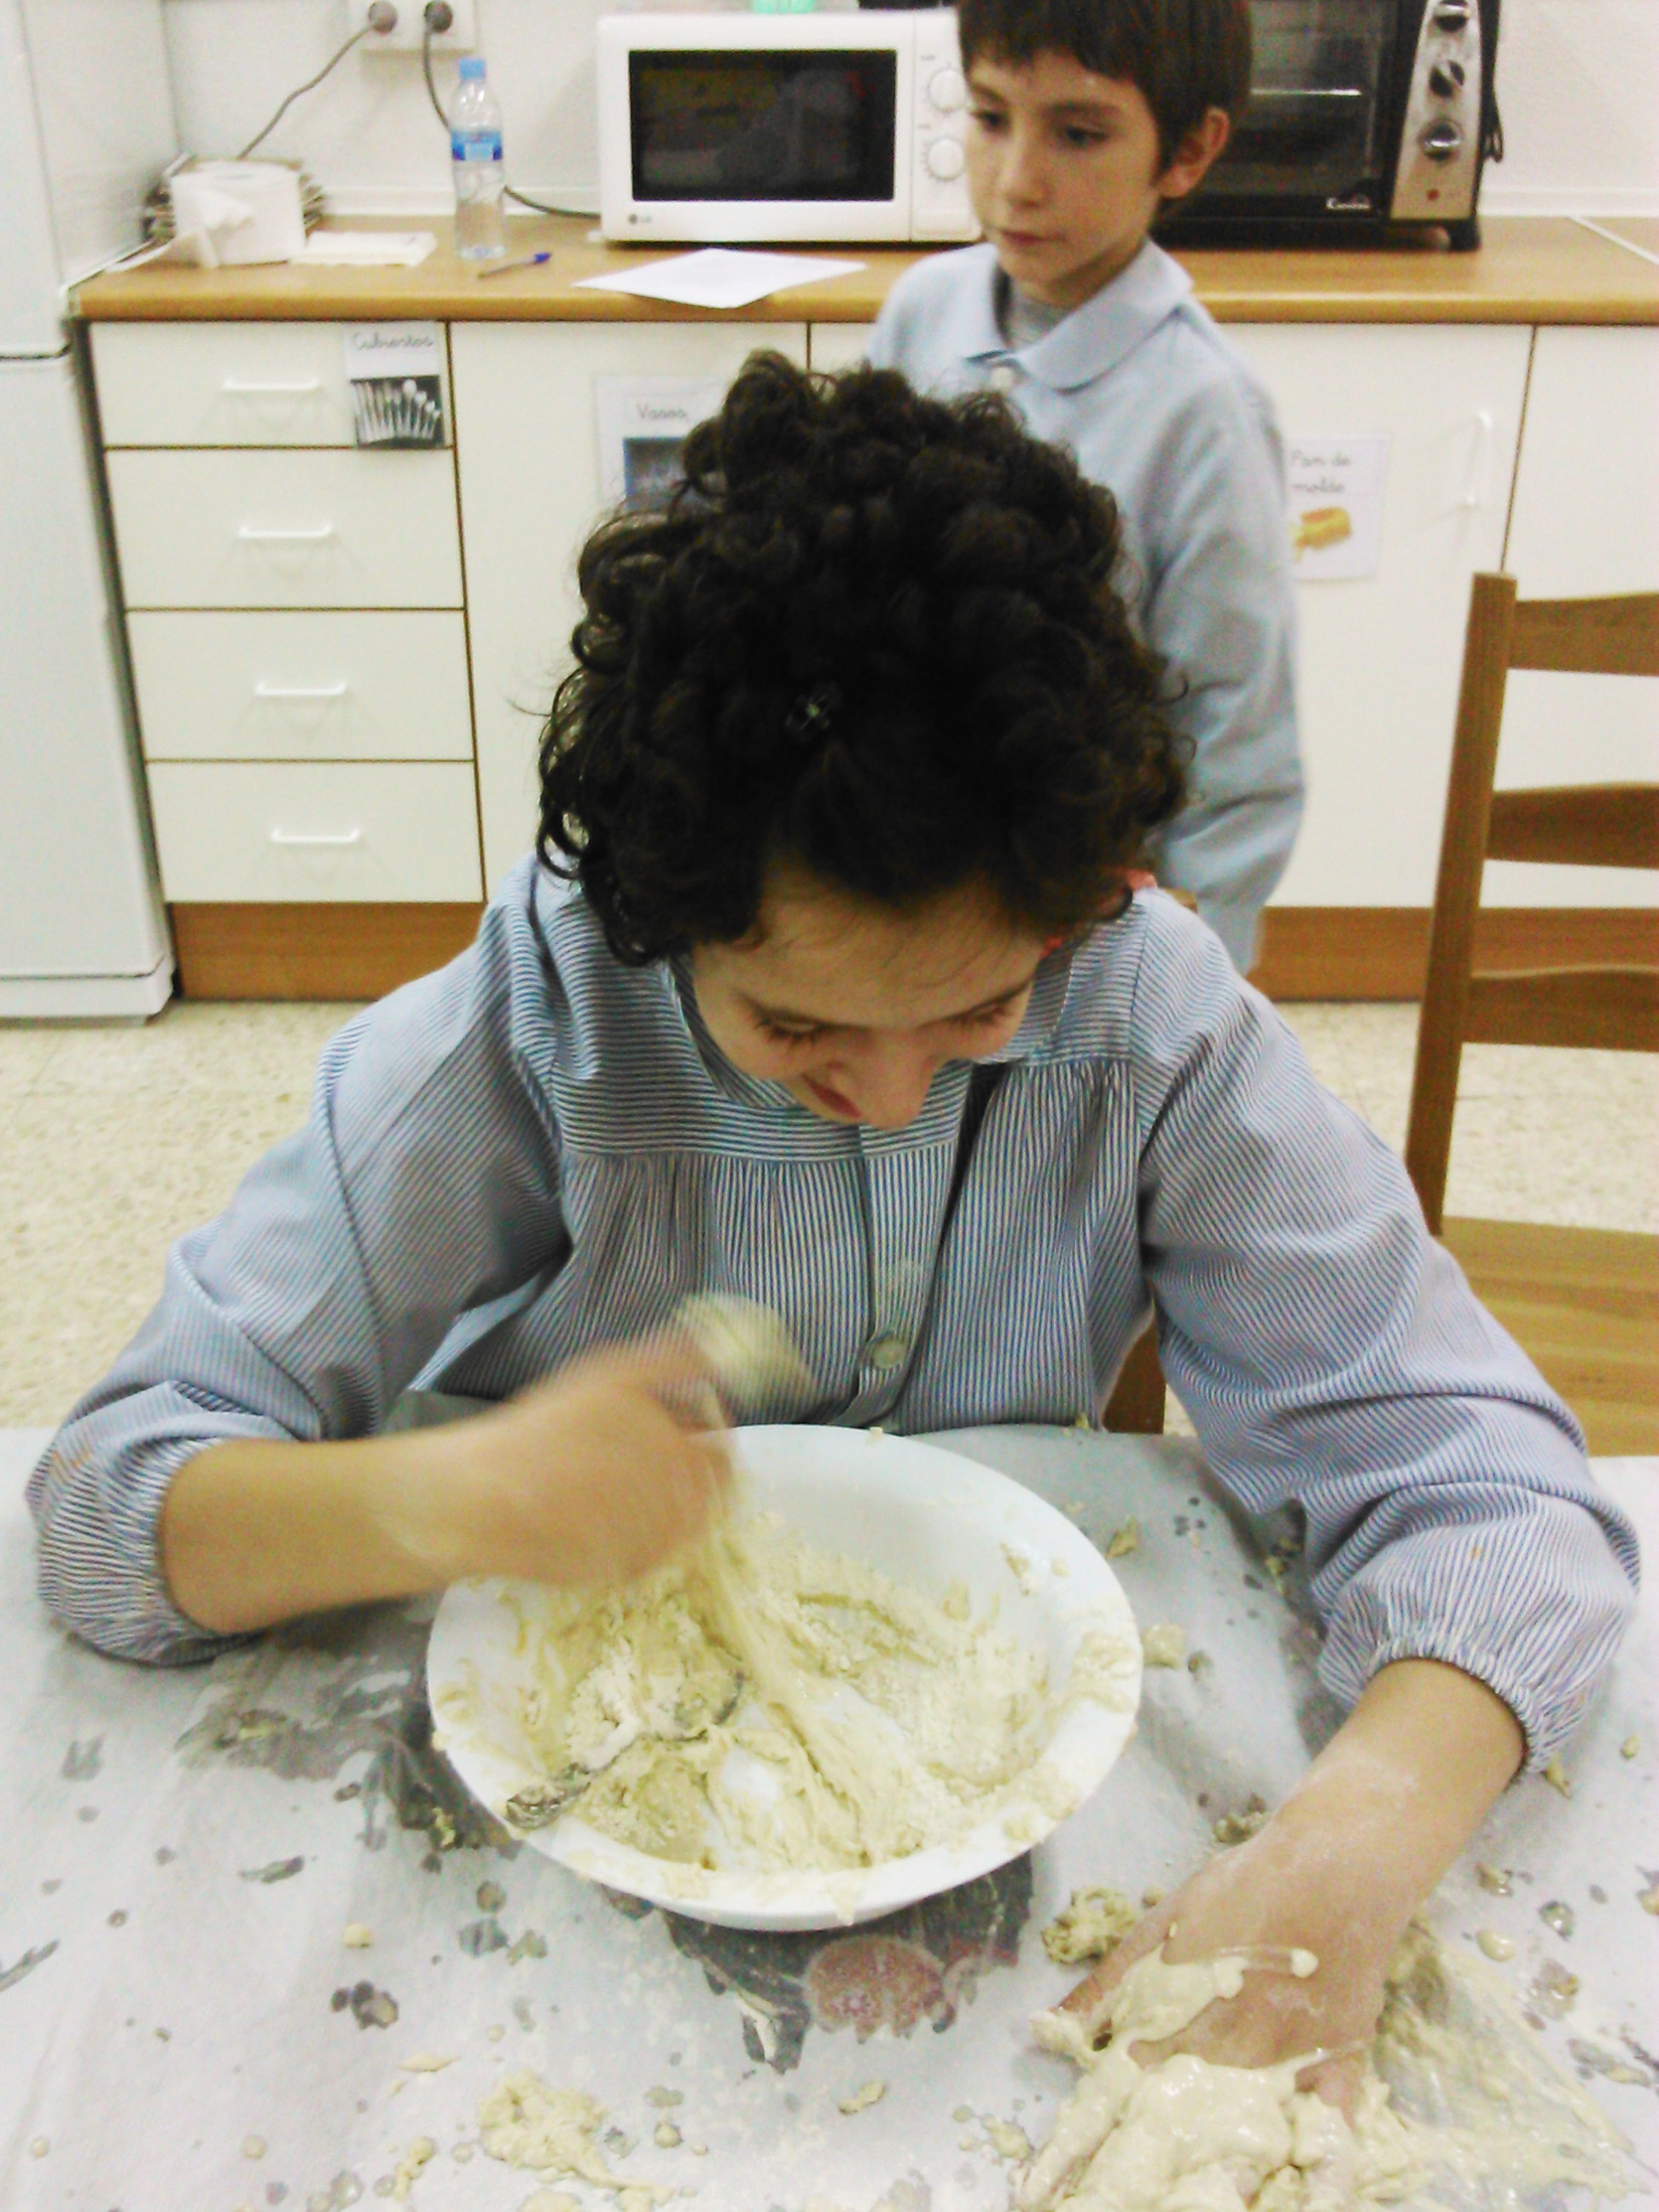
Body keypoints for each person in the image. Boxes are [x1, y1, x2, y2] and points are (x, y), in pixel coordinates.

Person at [30, 359, 1633, 2110]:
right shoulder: (540, 1020)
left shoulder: (1144, 1017)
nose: (886, 1099)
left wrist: (1344, 1852)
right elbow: (103, 1511)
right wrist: (438, 1496)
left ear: (1080, 911)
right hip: (564, 1834)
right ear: (663, 923)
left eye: (976, 1014)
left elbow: (1498, 1499)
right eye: (795, 1030)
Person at [870, 0, 1300, 975]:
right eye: (991, 118)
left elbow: (1236, 738)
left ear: (1186, 152)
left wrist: (1190, 982)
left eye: (1078, 134)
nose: (1016, 180)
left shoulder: (1205, 412)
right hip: (906, 871)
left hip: (1082, 915)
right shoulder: (920, 311)